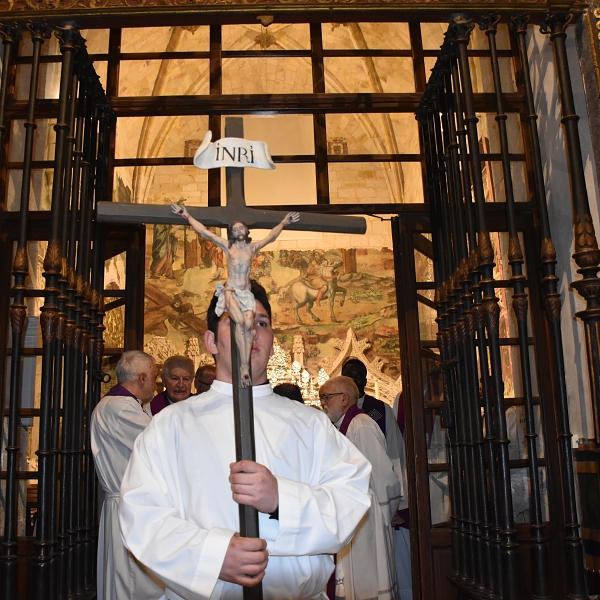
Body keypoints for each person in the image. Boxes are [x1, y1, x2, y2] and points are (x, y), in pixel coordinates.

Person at [119, 281, 372, 599]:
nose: (250, 331)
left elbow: (351, 499)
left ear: (271, 339)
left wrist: (282, 500)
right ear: (211, 341)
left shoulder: (311, 425)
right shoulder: (169, 427)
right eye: (236, 321)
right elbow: (141, 518)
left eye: (261, 323)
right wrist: (212, 556)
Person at [172, 202, 300, 387]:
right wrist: (186, 215)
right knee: (241, 322)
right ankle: (244, 368)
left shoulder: (251, 248)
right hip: (231, 291)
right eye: (236, 228)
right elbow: (205, 233)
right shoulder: (228, 247)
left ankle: (244, 367)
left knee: (247, 324)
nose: (239, 229)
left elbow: (271, 237)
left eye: (262, 324)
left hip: (245, 294)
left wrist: (284, 222)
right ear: (211, 341)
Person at [90, 351, 164, 600]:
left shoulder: (126, 406)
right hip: (129, 506)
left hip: (127, 504)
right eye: (155, 377)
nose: (157, 384)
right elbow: (159, 444)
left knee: (130, 579)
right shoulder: (120, 408)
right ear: (142, 378)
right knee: (133, 583)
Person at [320, 376, 401, 600]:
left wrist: (386, 511)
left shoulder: (362, 425)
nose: (323, 403)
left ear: (344, 398)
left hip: (368, 516)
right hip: (351, 515)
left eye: (326, 397)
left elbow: (384, 476)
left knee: (368, 578)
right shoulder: (344, 426)